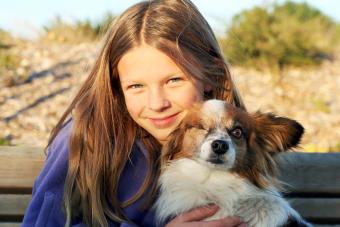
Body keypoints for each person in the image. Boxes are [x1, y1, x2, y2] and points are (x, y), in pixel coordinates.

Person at [22, 0, 247, 226]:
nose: (157, 103)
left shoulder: (239, 146)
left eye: (174, 80)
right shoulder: (86, 139)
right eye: (136, 86)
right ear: (117, 85)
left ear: (211, 77)